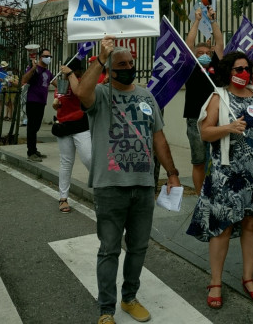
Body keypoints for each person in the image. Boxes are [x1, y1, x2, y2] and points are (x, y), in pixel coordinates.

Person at [74, 36, 181, 324]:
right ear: (110, 68)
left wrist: (171, 173)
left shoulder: (147, 97)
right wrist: (99, 58)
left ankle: (129, 297)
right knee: (109, 249)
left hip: (143, 186)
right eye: (121, 64)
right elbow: (82, 93)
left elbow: (158, 137)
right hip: (110, 187)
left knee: (138, 247)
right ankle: (106, 310)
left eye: (131, 63)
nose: (129, 68)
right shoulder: (101, 93)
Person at [186, 51, 253, 309]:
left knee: (251, 223)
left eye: (247, 69)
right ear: (228, 72)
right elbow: (204, 132)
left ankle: (248, 278)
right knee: (223, 226)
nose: (244, 74)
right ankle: (215, 281)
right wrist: (227, 128)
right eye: (238, 69)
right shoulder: (219, 97)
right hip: (227, 172)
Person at [183, 5, 224, 194]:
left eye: (208, 53)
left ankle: (214, 191)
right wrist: (197, 21)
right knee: (199, 161)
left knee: (215, 159)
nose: (205, 56)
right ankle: (200, 196)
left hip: (215, 119)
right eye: (201, 54)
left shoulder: (216, 64)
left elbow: (219, 41)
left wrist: (213, 19)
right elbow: (188, 44)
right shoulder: (190, 67)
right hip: (194, 120)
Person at [52, 57, 92, 213]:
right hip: (64, 126)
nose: (63, 72)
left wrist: (71, 76)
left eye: (67, 70)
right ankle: (63, 198)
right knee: (66, 162)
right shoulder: (62, 83)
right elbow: (59, 102)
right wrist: (56, 104)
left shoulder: (82, 82)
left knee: (89, 158)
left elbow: (80, 93)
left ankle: (102, 191)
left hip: (81, 125)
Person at [20, 48, 56, 162]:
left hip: (41, 102)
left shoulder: (48, 72)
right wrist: (33, 68)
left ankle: (34, 150)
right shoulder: (34, 69)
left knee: (36, 127)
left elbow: (57, 84)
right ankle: (30, 153)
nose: (48, 58)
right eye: (46, 56)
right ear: (40, 57)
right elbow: (24, 80)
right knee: (32, 127)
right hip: (33, 101)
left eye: (50, 57)